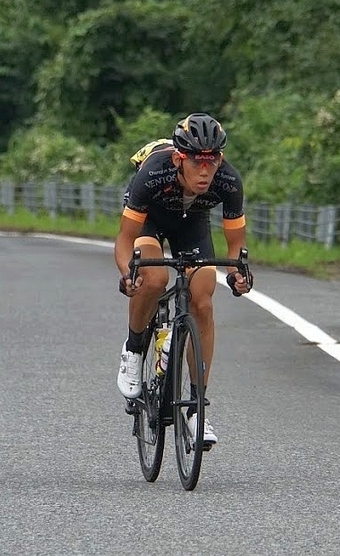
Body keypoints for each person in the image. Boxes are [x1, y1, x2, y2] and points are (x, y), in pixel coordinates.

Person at [114, 113, 253, 448]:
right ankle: (133, 350)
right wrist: (127, 273)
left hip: (192, 224)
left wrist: (238, 273)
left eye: (212, 161)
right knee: (155, 276)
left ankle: (195, 409)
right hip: (150, 222)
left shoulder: (228, 181)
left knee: (202, 298)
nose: (205, 171)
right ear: (179, 158)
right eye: (197, 162)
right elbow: (123, 241)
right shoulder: (153, 173)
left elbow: (236, 247)